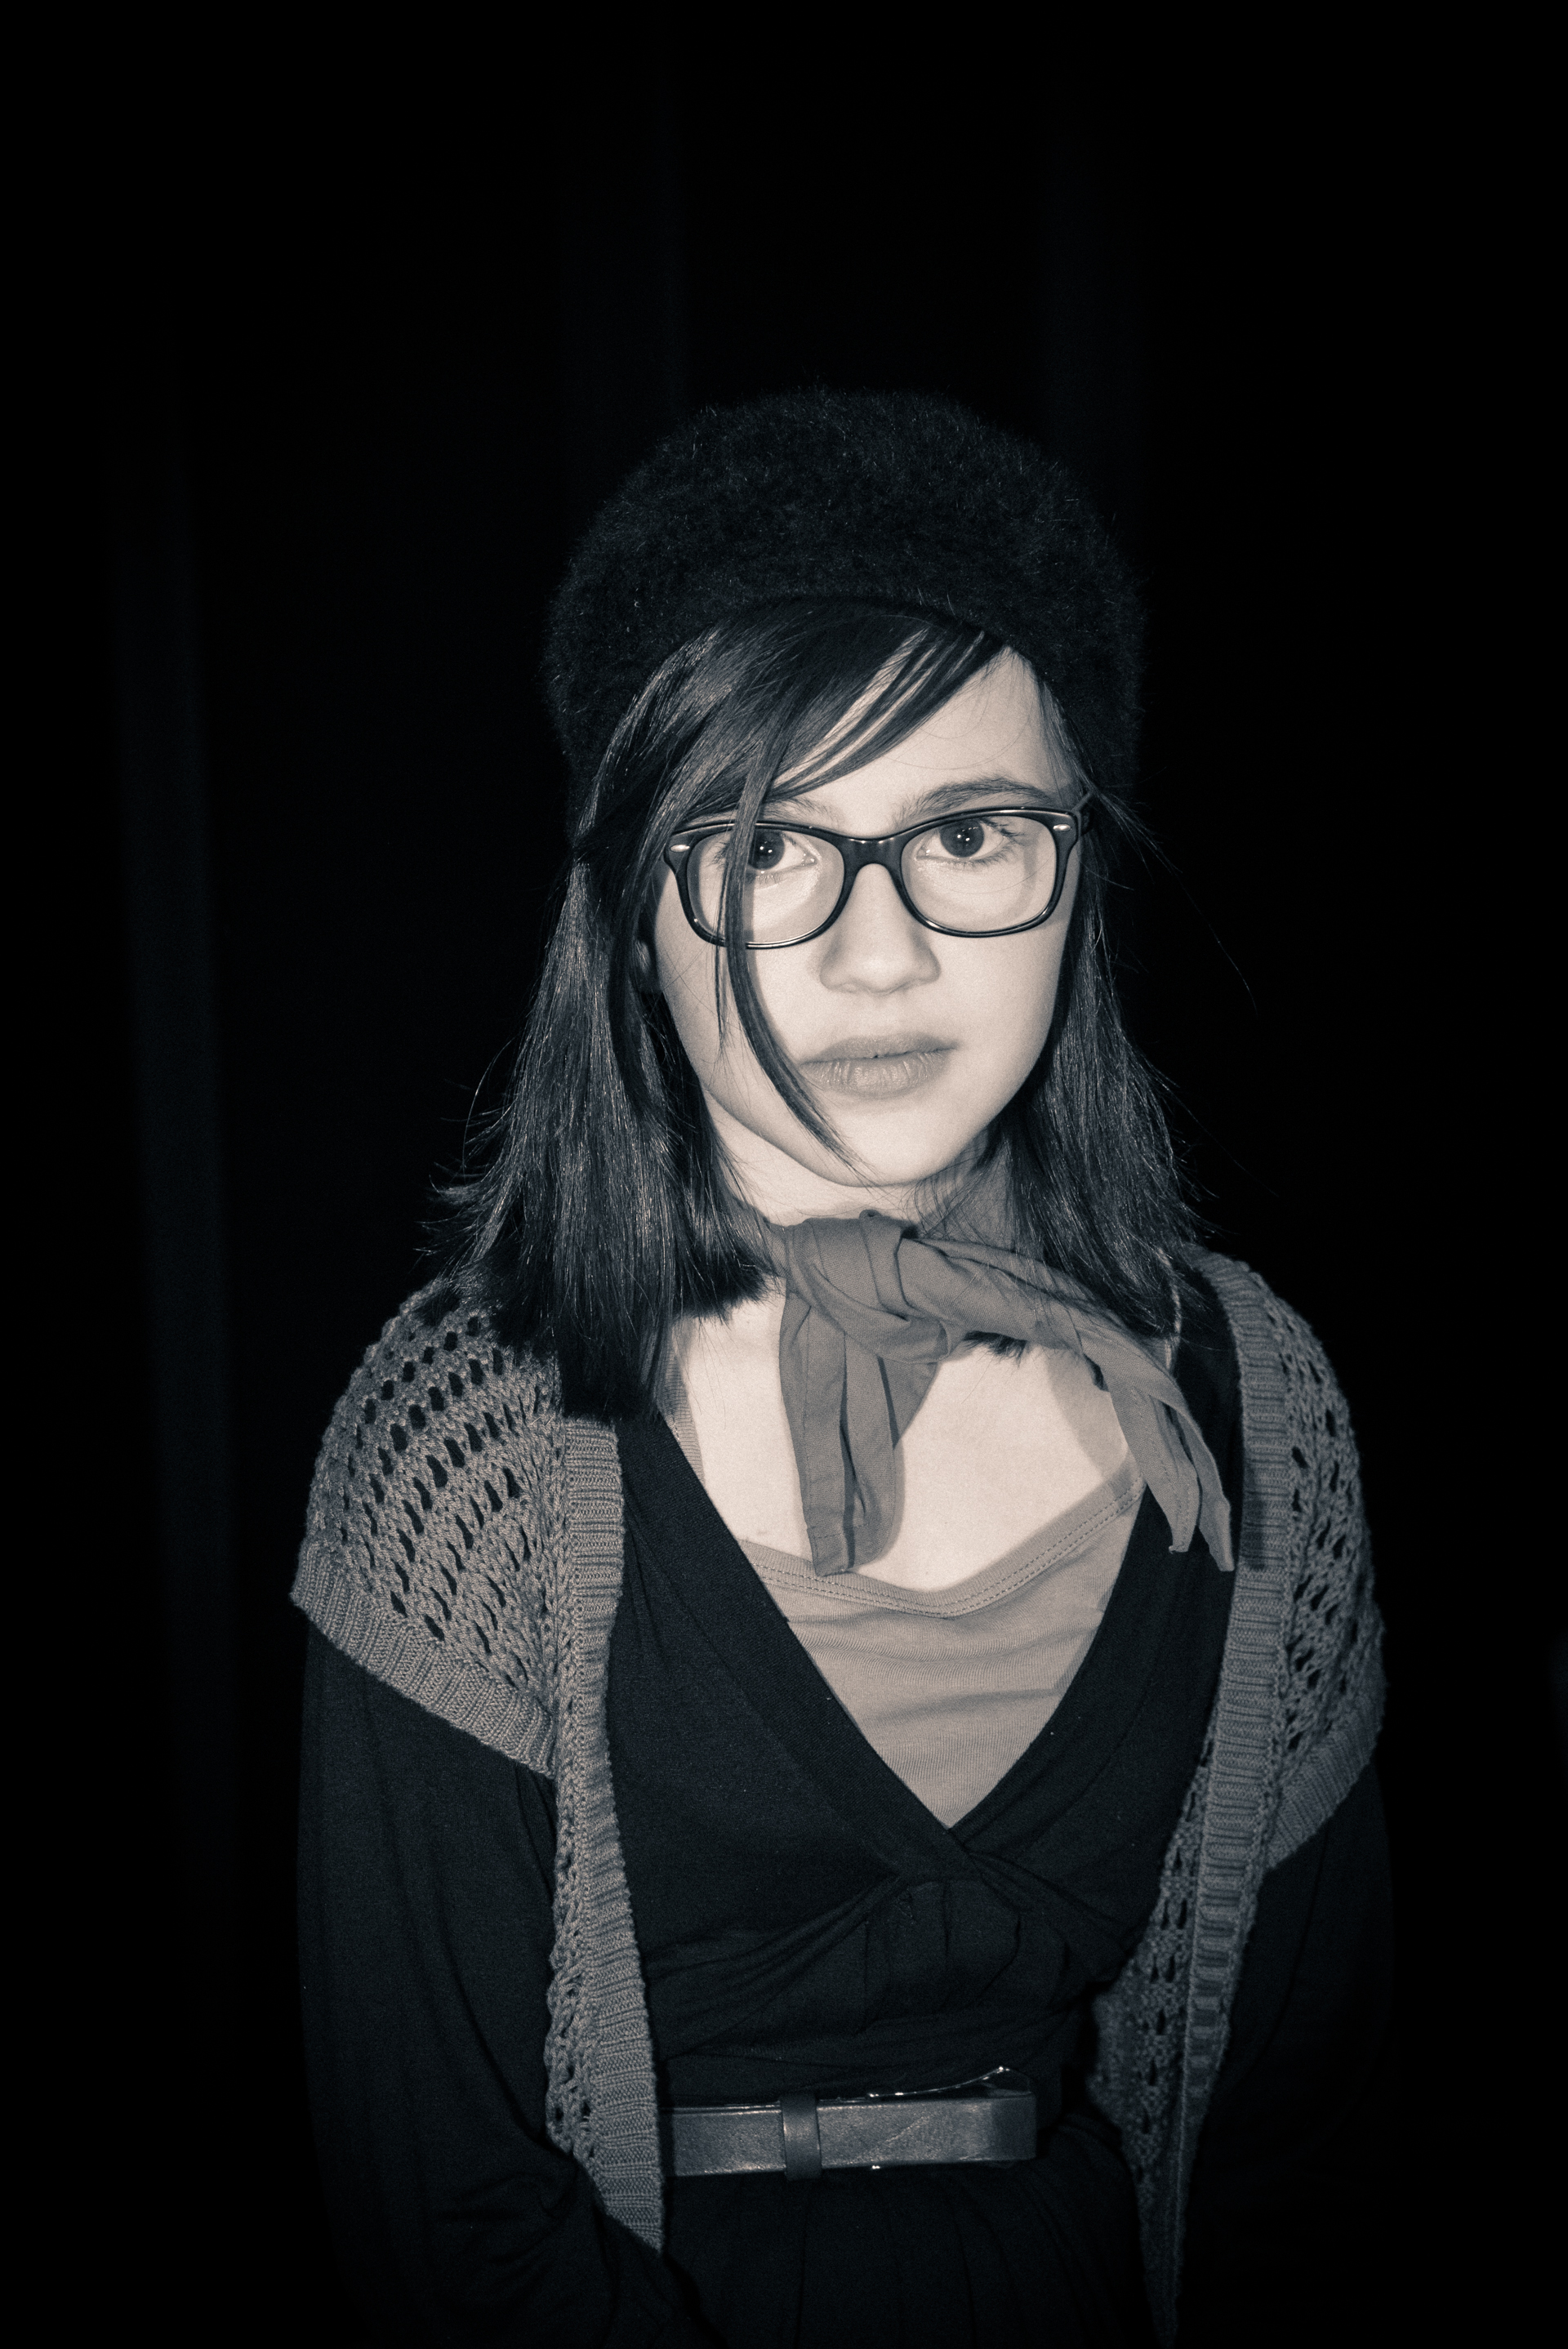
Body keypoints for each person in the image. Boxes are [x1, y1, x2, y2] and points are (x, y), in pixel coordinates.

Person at [294, 391, 1392, 2348]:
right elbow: (444, 2208)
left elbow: (1301, 2147)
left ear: (1080, 864)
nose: (879, 953)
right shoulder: (471, 1436)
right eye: (765, 844)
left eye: (966, 833)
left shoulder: (1258, 1402)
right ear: (632, 913)